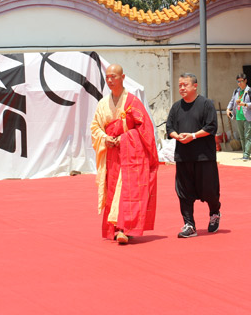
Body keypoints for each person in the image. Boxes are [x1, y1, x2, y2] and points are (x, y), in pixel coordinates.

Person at [90, 64, 159, 244]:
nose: (110, 80)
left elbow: (144, 128)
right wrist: (105, 138)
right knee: (112, 189)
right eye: (107, 77)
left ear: (123, 77)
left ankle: (125, 229)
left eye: (113, 76)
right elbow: (95, 127)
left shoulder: (132, 102)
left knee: (128, 189)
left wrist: (124, 138)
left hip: (131, 153)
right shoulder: (103, 103)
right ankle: (114, 228)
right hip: (111, 153)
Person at [166, 73, 221, 238]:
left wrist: (193, 136)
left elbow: (211, 126)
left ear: (195, 86)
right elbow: (169, 127)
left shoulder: (206, 104)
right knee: (184, 192)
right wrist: (177, 136)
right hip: (183, 157)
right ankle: (189, 225)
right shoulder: (176, 107)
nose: (182, 88)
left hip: (204, 157)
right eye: (180, 85)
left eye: (185, 85)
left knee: (209, 190)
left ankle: (215, 212)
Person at [226, 74, 251, 161]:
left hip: (248, 117)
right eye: (238, 81)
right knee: (242, 137)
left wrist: (244, 104)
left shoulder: (250, 90)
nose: (239, 83)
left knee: (248, 136)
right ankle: (244, 152)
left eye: (241, 81)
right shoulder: (236, 91)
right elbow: (232, 101)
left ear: (245, 80)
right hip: (238, 116)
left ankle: (247, 154)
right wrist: (228, 109)